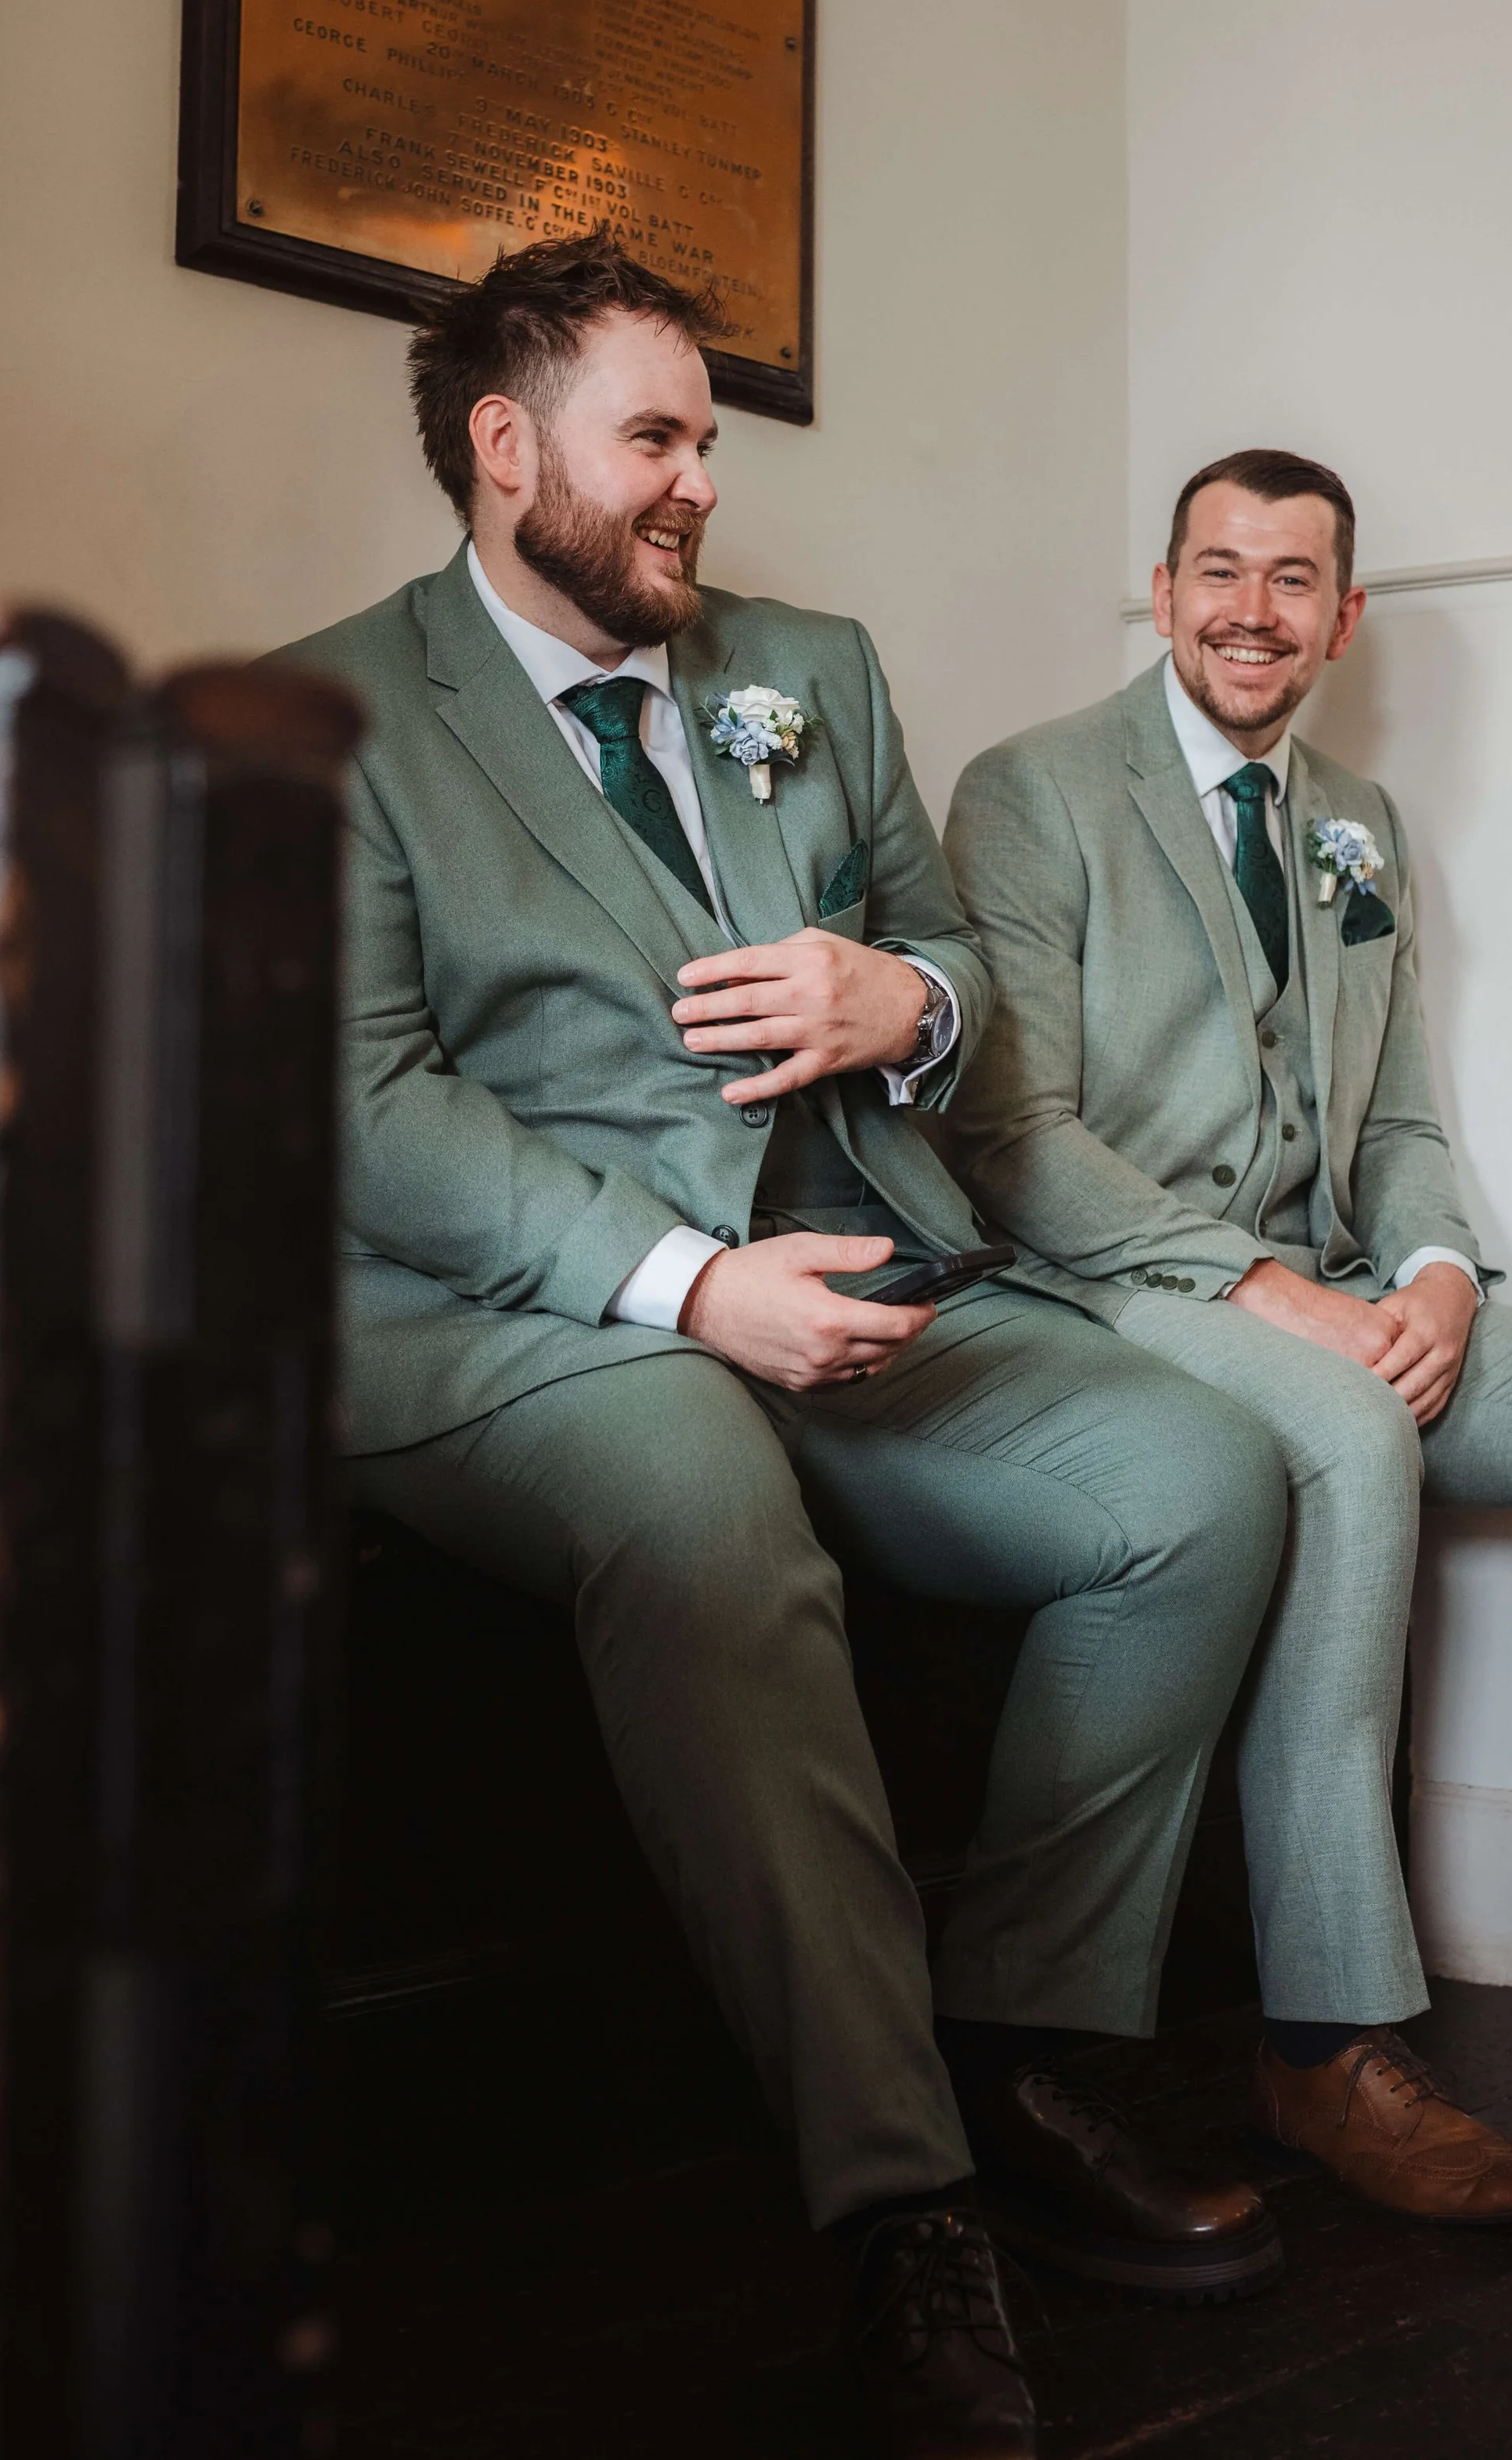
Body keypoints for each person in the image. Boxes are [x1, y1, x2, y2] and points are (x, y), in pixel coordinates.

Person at [276, 242, 1298, 2458]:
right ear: (502, 444)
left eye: (707, 441)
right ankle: (899, 2195)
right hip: (528, 1320)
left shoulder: (803, 668)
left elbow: (944, 943)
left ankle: (1020, 2026)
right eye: (655, 437)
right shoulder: (330, 714)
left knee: (1204, 1479)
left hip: (859, 1275)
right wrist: (682, 1283)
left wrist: (896, 999)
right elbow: (364, 1104)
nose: (698, 487)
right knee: (700, 1499)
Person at [943, 447, 1512, 2222]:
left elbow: (1401, 1129)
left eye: (1292, 581)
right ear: (1160, 592)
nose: (1249, 611)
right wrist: (1259, 1288)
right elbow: (1009, 1137)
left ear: (1342, 619)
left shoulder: (1352, 815)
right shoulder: (1031, 790)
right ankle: (1323, 2048)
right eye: (1217, 570)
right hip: (1114, 1286)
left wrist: (1436, 1275)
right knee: (1350, 1432)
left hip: (1335, 1289)